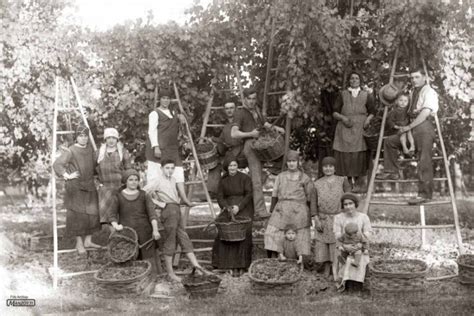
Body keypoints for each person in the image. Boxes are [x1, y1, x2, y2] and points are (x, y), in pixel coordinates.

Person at [376, 68, 439, 204]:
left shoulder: (429, 91)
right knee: (390, 142)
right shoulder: (412, 92)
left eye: (417, 77)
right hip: (410, 126)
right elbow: (403, 106)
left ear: (424, 77)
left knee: (424, 159)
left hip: (423, 127)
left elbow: (425, 112)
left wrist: (408, 127)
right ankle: (392, 171)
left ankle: (424, 194)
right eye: (412, 78)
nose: (414, 80)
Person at [144, 159, 206, 282]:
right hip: (168, 210)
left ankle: (197, 267)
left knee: (184, 238)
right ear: (161, 169)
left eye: (172, 168)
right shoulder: (157, 180)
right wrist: (159, 203)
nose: (170, 170)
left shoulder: (172, 180)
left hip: (176, 209)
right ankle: (170, 273)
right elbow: (144, 192)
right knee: (170, 240)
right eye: (167, 168)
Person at [231, 87, 285, 218]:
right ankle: (260, 211)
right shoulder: (240, 113)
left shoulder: (256, 110)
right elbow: (234, 133)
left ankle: (251, 203)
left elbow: (265, 124)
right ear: (244, 99)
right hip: (250, 146)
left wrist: (277, 128)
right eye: (249, 99)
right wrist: (250, 133)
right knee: (256, 179)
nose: (251, 101)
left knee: (263, 175)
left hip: (261, 145)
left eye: (254, 98)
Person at [53, 125, 101, 254]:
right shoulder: (71, 150)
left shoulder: (91, 150)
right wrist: (67, 175)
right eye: (80, 136)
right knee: (78, 216)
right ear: (76, 137)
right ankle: (79, 243)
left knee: (92, 213)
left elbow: (96, 167)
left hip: (89, 185)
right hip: (75, 187)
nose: (83, 138)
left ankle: (88, 240)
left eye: (85, 136)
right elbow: (57, 164)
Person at [264, 150, 316, 258]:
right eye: (289, 161)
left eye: (294, 161)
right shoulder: (280, 176)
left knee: (300, 234)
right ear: (286, 163)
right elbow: (274, 193)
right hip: (282, 208)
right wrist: (272, 210)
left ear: (298, 162)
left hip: (299, 210)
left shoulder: (305, 178)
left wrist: (311, 213)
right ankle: (276, 256)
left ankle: (301, 259)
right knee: (271, 232)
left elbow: (310, 196)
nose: (291, 163)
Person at [109, 169, 160, 275]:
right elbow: (112, 215)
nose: (134, 182)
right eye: (131, 180)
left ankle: (151, 279)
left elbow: (152, 214)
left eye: (136, 180)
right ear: (125, 181)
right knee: (130, 259)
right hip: (128, 234)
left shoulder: (144, 195)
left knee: (148, 258)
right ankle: (133, 281)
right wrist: (116, 225)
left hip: (145, 232)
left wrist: (155, 230)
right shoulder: (118, 196)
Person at [332, 72, 376, 193]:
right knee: (344, 156)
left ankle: (359, 184)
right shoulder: (342, 94)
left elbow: (372, 111)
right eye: (352, 78)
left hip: (360, 127)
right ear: (349, 81)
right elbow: (334, 112)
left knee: (358, 155)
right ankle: (346, 184)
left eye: (357, 78)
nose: (354, 80)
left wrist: (367, 120)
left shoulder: (367, 95)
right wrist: (343, 118)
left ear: (360, 81)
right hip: (345, 126)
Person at [211, 156, 254, 277]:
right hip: (228, 208)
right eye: (230, 166)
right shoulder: (223, 180)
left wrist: (239, 207)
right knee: (225, 232)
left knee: (243, 232)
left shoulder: (245, 178)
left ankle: (242, 265)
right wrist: (227, 208)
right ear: (227, 167)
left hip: (243, 207)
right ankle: (226, 264)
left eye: (234, 165)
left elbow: (249, 194)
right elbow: (220, 197)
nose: (232, 168)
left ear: (237, 166)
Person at [313, 156, 351, 278]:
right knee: (323, 243)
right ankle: (326, 267)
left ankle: (337, 267)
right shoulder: (317, 183)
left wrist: (347, 215)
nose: (328, 169)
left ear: (335, 168)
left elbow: (349, 197)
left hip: (338, 217)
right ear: (322, 168)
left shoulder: (342, 180)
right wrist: (316, 219)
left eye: (331, 166)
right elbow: (313, 203)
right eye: (325, 166)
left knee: (337, 243)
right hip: (323, 218)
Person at [145, 86, 187, 196]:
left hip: (171, 148)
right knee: (155, 175)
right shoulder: (154, 113)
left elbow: (176, 121)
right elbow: (152, 131)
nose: (166, 100)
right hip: (159, 148)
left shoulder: (173, 112)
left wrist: (180, 116)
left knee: (178, 171)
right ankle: (151, 200)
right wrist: (156, 146)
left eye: (168, 98)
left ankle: (183, 197)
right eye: (163, 98)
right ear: (160, 100)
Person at [333, 193, 372, 291]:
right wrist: (345, 246)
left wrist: (360, 244)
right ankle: (347, 283)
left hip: (359, 245)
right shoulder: (338, 217)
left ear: (355, 204)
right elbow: (337, 235)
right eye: (345, 204)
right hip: (344, 245)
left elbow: (367, 232)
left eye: (351, 203)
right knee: (344, 257)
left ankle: (358, 283)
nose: (348, 206)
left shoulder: (363, 217)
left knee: (360, 257)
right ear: (343, 206)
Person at [207, 101, 246, 197]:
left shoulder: (241, 122)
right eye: (227, 108)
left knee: (226, 162)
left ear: (236, 109)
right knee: (214, 163)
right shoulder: (226, 127)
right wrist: (212, 139)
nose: (229, 110)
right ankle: (213, 192)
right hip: (230, 153)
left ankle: (231, 191)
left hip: (241, 153)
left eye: (231, 108)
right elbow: (221, 140)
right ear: (224, 110)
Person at [96, 128, 131, 226]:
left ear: (117, 139)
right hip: (105, 189)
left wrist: (127, 186)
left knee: (120, 216)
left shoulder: (123, 152)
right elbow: (93, 172)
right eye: (108, 138)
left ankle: (121, 237)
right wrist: (98, 185)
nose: (111, 140)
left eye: (113, 138)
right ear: (105, 139)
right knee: (107, 219)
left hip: (119, 189)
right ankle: (112, 237)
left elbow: (129, 171)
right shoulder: (99, 153)